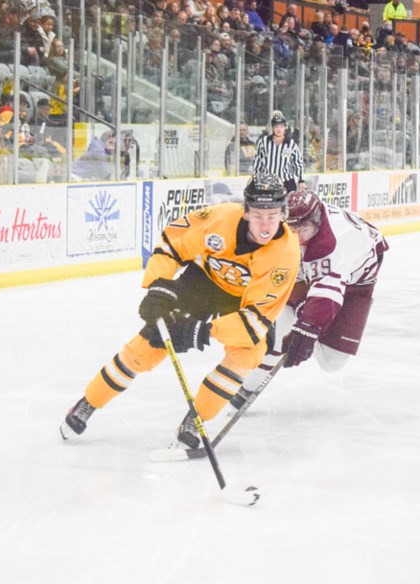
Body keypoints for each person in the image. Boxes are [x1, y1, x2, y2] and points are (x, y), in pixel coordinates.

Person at [59, 174, 302, 449]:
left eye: (272, 215)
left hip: (244, 301)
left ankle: (195, 419)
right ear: (245, 212)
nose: (266, 224)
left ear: (283, 213)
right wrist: (158, 285)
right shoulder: (219, 219)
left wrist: (205, 331)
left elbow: (257, 320)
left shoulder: (286, 255)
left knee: (250, 352)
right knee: (149, 343)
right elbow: (172, 243)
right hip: (203, 283)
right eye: (258, 215)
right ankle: (88, 403)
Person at [228, 189, 388, 411]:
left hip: (357, 284)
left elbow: (326, 292)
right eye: (291, 228)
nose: (297, 236)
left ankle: (302, 322)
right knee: (282, 331)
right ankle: (248, 386)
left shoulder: (333, 242)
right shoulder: (296, 226)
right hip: (312, 273)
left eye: (302, 228)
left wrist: (307, 329)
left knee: (332, 362)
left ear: (317, 219)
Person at [253, 110, 304, 193]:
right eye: (276, 126)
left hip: (287, 182)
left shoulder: (291, 144)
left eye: (281, 126)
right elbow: (258, 161)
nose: (279, 129)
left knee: (287, 205)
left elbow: (297, 163)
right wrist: (255, 177)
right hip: (268, 182)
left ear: (285, 127)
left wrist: (301, 179)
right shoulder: (264, 142)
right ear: (272, 127)